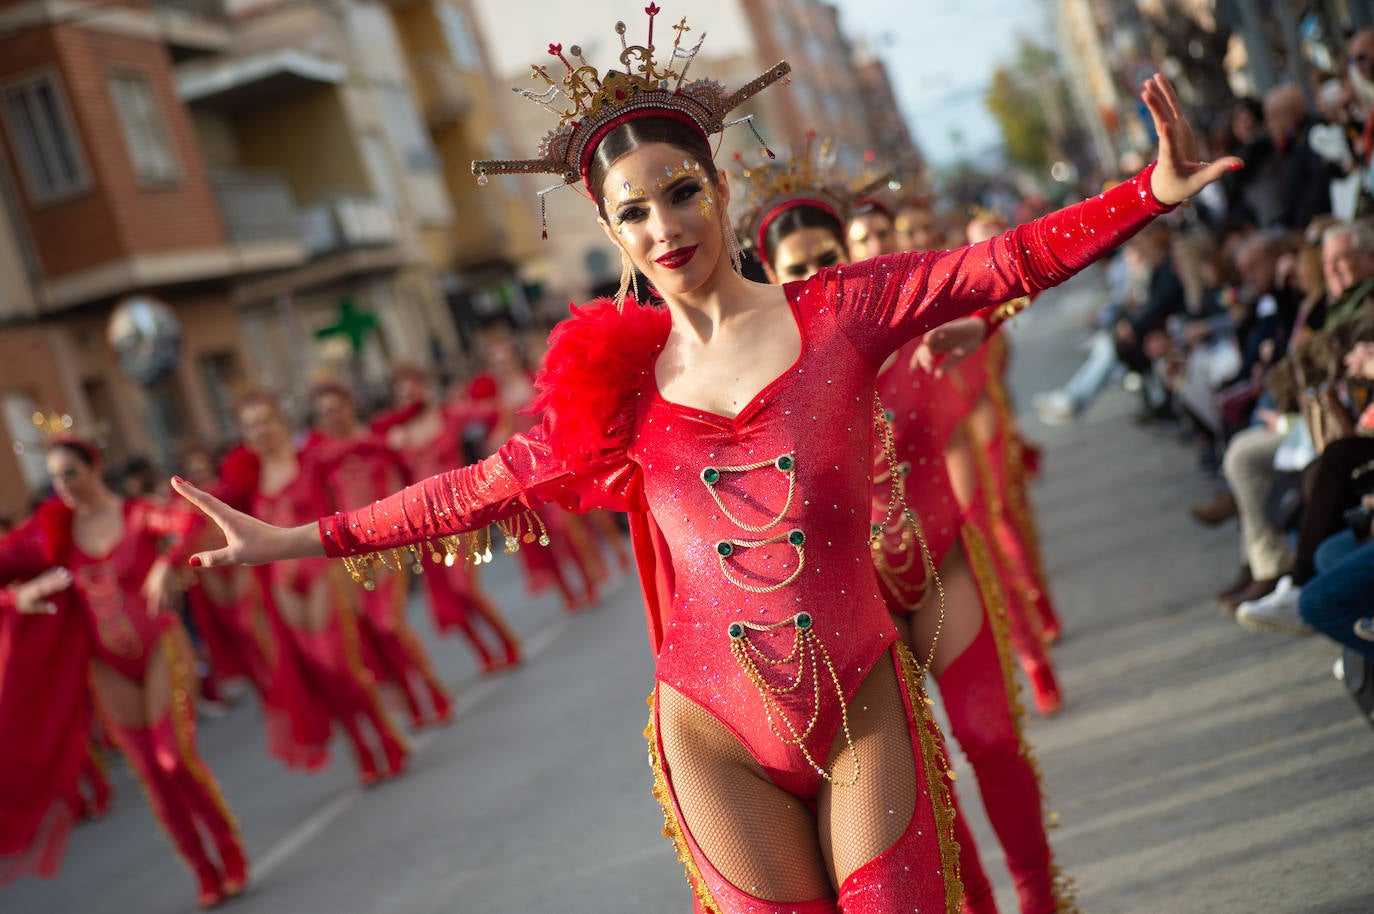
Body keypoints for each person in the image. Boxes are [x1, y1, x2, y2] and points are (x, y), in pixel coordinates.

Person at [170, 13, 1231, 909]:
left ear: (717, 185)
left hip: (860, 696)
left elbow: (995, 261)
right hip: (715, 735)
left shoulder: (842, 312)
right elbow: (479, 487)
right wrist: (296, 537)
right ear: (608, 228)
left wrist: (1151, 191)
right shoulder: (614, 391)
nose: (664, 224)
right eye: (633, 210)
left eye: (679, 191)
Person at [740, 156, 1070, 912]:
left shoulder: (899, 319)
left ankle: (1043, 898)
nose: (819, 276)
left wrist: (984, 320)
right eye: (800, 268)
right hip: (860, 618)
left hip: (944, 565)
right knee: (931, 789)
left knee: (989, 739)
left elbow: (998, 280)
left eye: (830, 259)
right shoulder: (766, 378)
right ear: (771, 272)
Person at [0, 439, 245, 907]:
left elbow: (189, 519)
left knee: (174, 757)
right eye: (55, 477)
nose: (63, 485)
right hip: (106, 666)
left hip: (158, 648)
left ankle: (229, 850)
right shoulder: (55, 529)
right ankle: (202, 869)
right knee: (152, 775)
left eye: (71, 472)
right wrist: (18, 597)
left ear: (95, 467)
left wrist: (167, 564)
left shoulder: (135, 513)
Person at [225, 392, 409, 784]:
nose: (261, 430)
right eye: (251, 425)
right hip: (283, 584)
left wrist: (392, 440)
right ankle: (361, 749)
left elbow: (358, 447)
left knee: (341, 665)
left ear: (282, 423)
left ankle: (387, 740)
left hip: (324, 573)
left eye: (266, 420)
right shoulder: (250, 482)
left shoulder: (311, 459)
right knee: (323, 675)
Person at [307, 381, 454, 728]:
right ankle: (412, 703)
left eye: (337, 408)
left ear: (350, 405)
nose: (332, 417)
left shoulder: (376, 439)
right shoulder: (320, 457)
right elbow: (321, 505)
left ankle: (433, 692)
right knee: (371, 635)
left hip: (388, 542)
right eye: (324, 412)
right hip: (351, 554)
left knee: (388, 624)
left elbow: (402, 476)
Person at [375, 365, 522, 673]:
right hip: (423, 523)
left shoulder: (448, 416)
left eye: (414, 388)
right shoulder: (395, 437)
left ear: (425, 388)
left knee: (464, 587)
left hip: (459, 512)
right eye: (402, 393)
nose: (410, 397)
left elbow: (495, 413)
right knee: (448, 595)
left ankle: (507, 643)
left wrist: (496, 450)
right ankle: (483, 652)